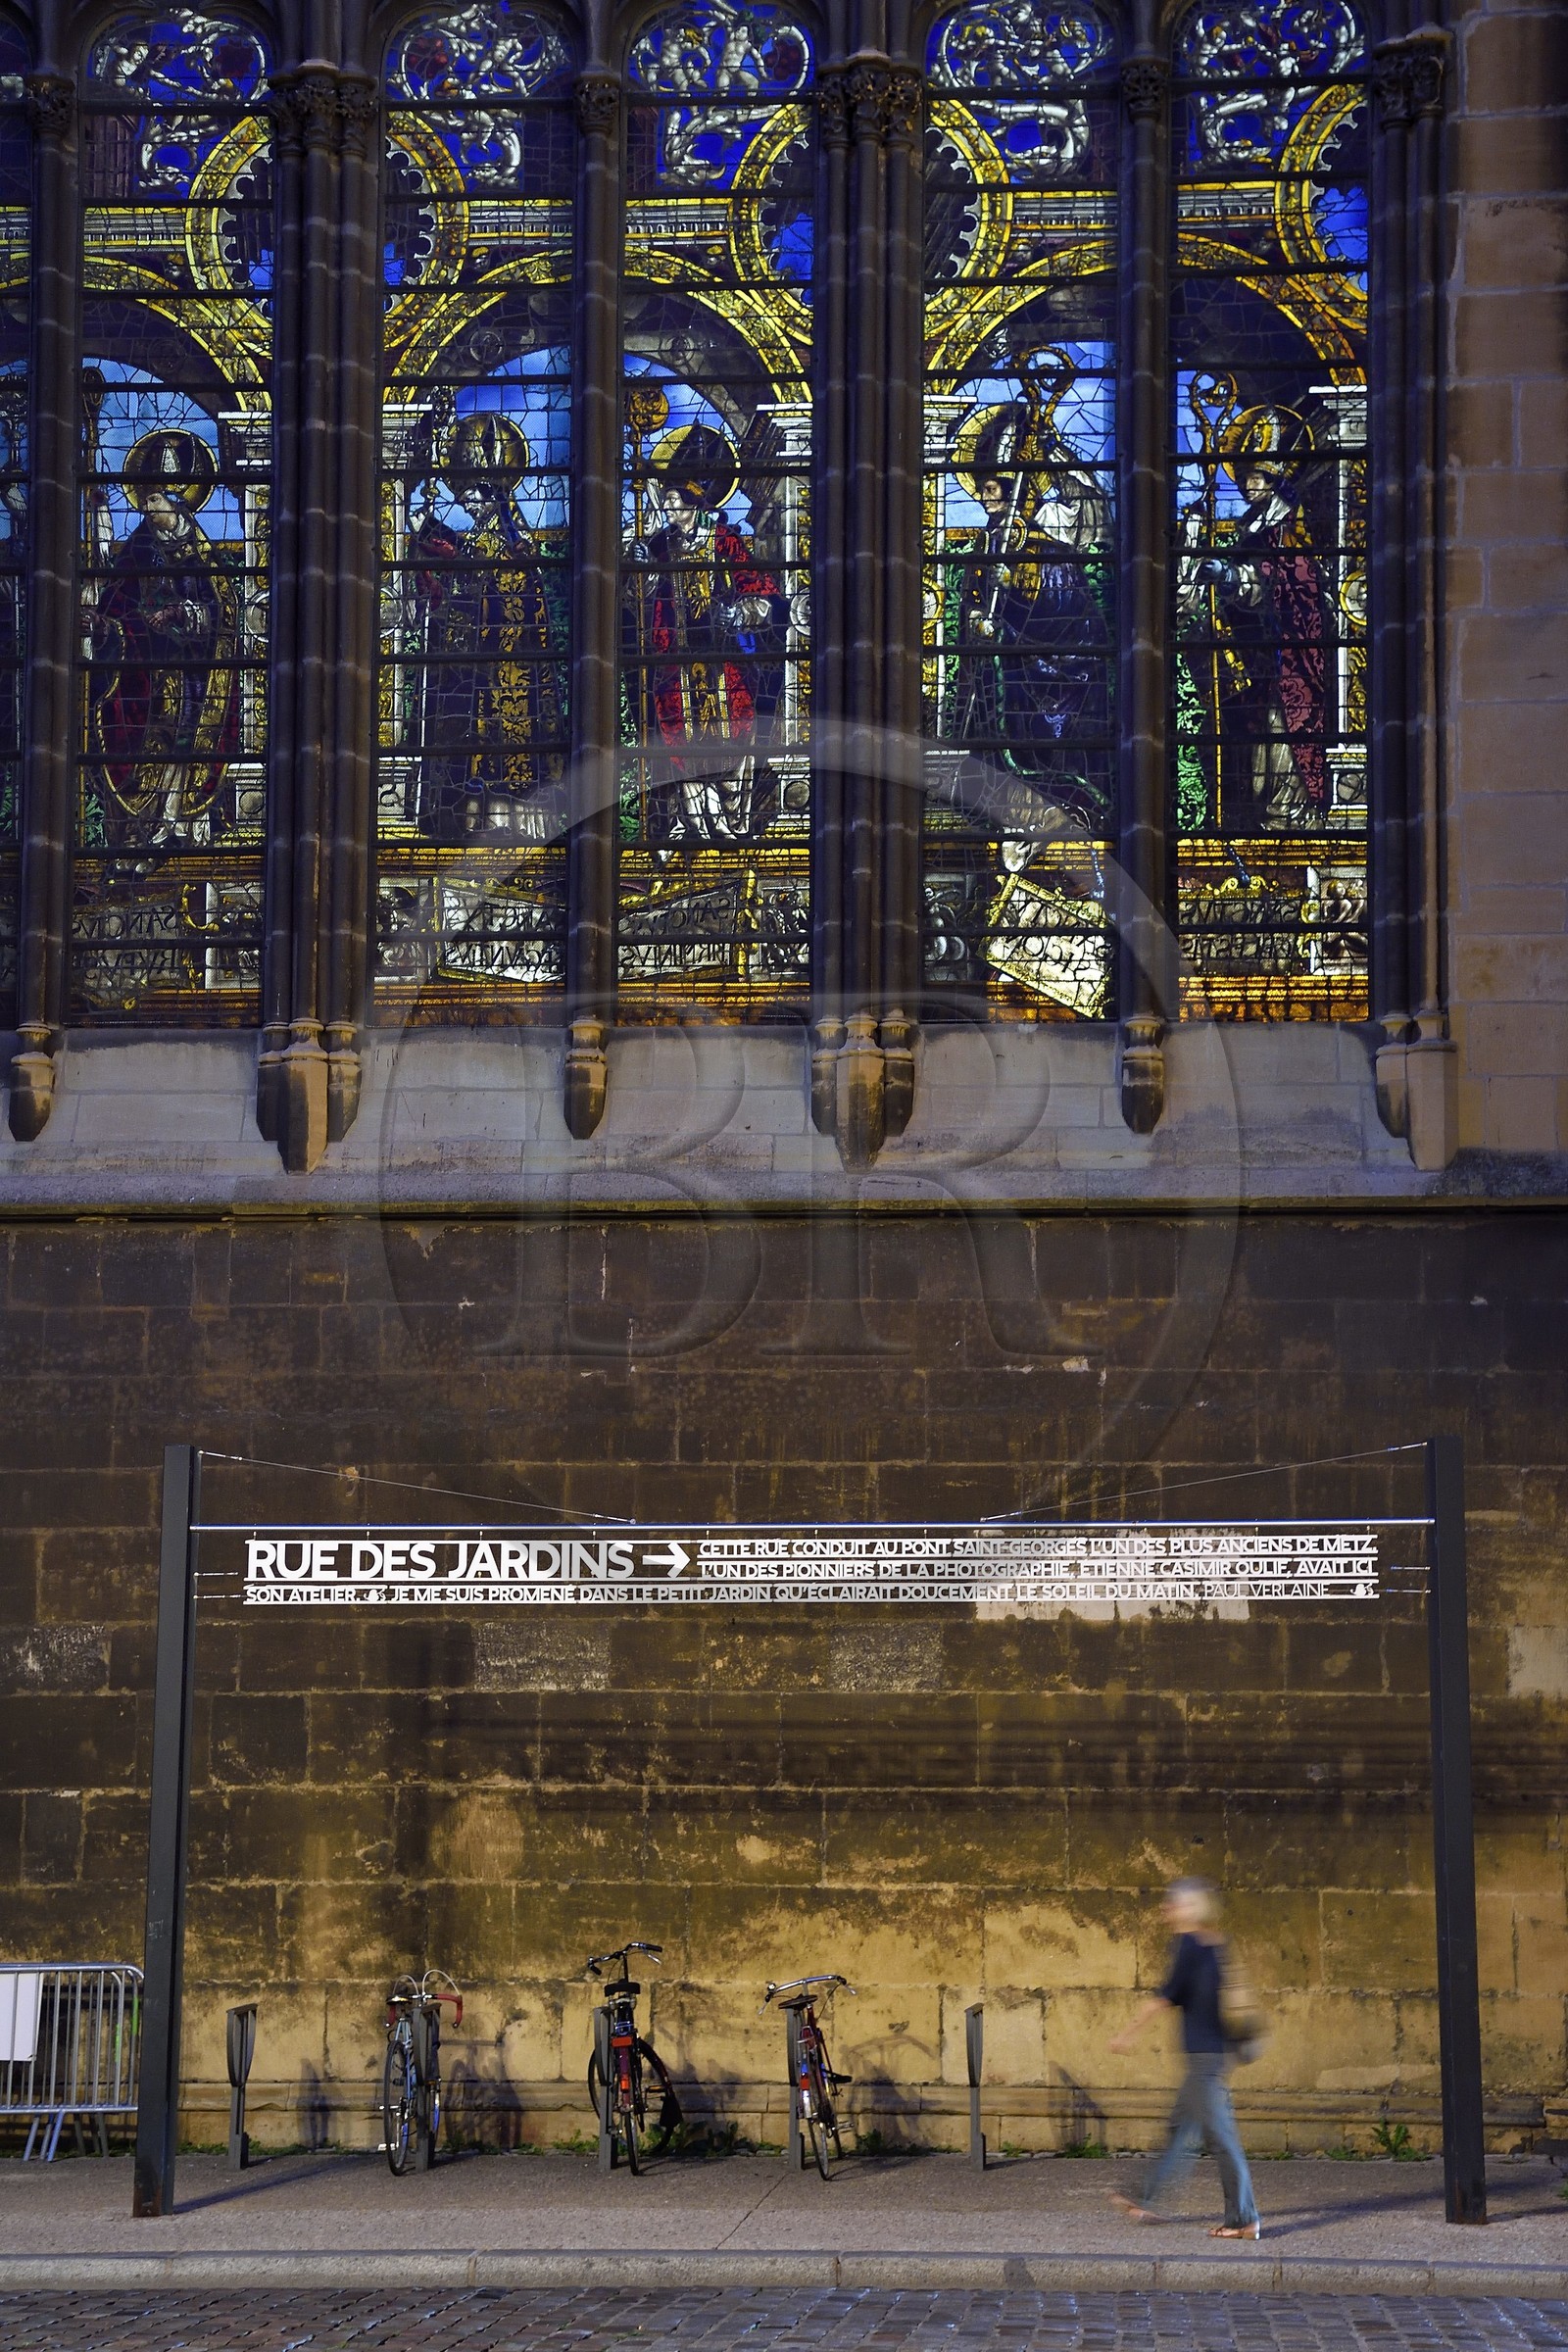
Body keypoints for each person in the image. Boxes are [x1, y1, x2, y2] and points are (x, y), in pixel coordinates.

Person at [623, 419, 783, 844]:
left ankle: (732, 825)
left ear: (693, 502)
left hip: (722, 660)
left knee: (737, 732)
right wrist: (637, 567)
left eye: (674, 501)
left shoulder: (726, 542)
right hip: (675, 665)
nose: (667, 510)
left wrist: (740, 614)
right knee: (678, 740)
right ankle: (689, 822)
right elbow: (632, 607)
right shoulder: (658, 546)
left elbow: (761, 591)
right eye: (665, 501)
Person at [408, 411, 564, 840]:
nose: (469, 503)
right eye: (464, 496)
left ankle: (511, 824)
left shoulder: (514, 549)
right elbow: (456, 583)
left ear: (495, 494)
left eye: (475, 494)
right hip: (469, 672)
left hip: (508, 674)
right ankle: (467, 821)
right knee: (468, 753)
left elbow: (511, 605)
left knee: (504, 753)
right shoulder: (473, 544)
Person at [83, 427, 242, 847]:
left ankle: (179, 824)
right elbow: (115, 605)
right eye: (146, 500)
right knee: (150, 740)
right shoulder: (139, 547)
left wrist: (181, 614)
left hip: (196, 675)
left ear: (175, 502)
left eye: (154, 501)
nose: (147, 509)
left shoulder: (203, 551)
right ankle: (143, 828)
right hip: (146, 672)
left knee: (187, 738)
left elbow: (222, 610)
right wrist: (107, 628)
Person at [1106, 1876, 1261, 2239]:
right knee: (1180, 2130)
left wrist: (1126, 2034)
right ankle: (1144, 2198)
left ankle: (1244, 2219)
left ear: (1190, 1908)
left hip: (1206, 2059)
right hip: (1211, 2056)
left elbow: (1164, 1996)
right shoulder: (1215, 1945)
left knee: (1222, 2140)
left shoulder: (1188, 1945)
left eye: (1173, 1903)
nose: (1166, 1909)